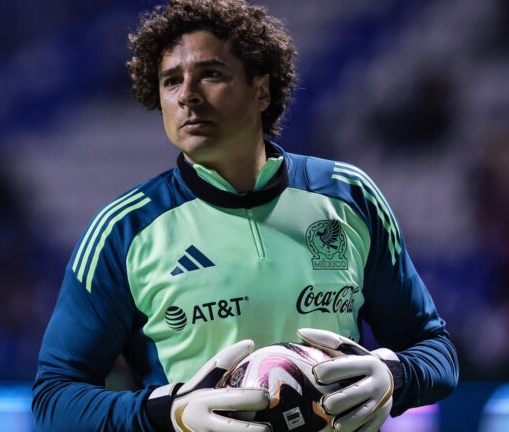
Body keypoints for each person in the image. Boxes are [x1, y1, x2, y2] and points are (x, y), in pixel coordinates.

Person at [32, 1, 458, 431]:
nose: (187, 95)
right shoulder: (124, 230)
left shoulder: (348, 196)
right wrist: (168, 412)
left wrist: (395, 377)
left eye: (211, 74)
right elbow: (54, 400)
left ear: (262, 91)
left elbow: (435, 350)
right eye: (171, 81)